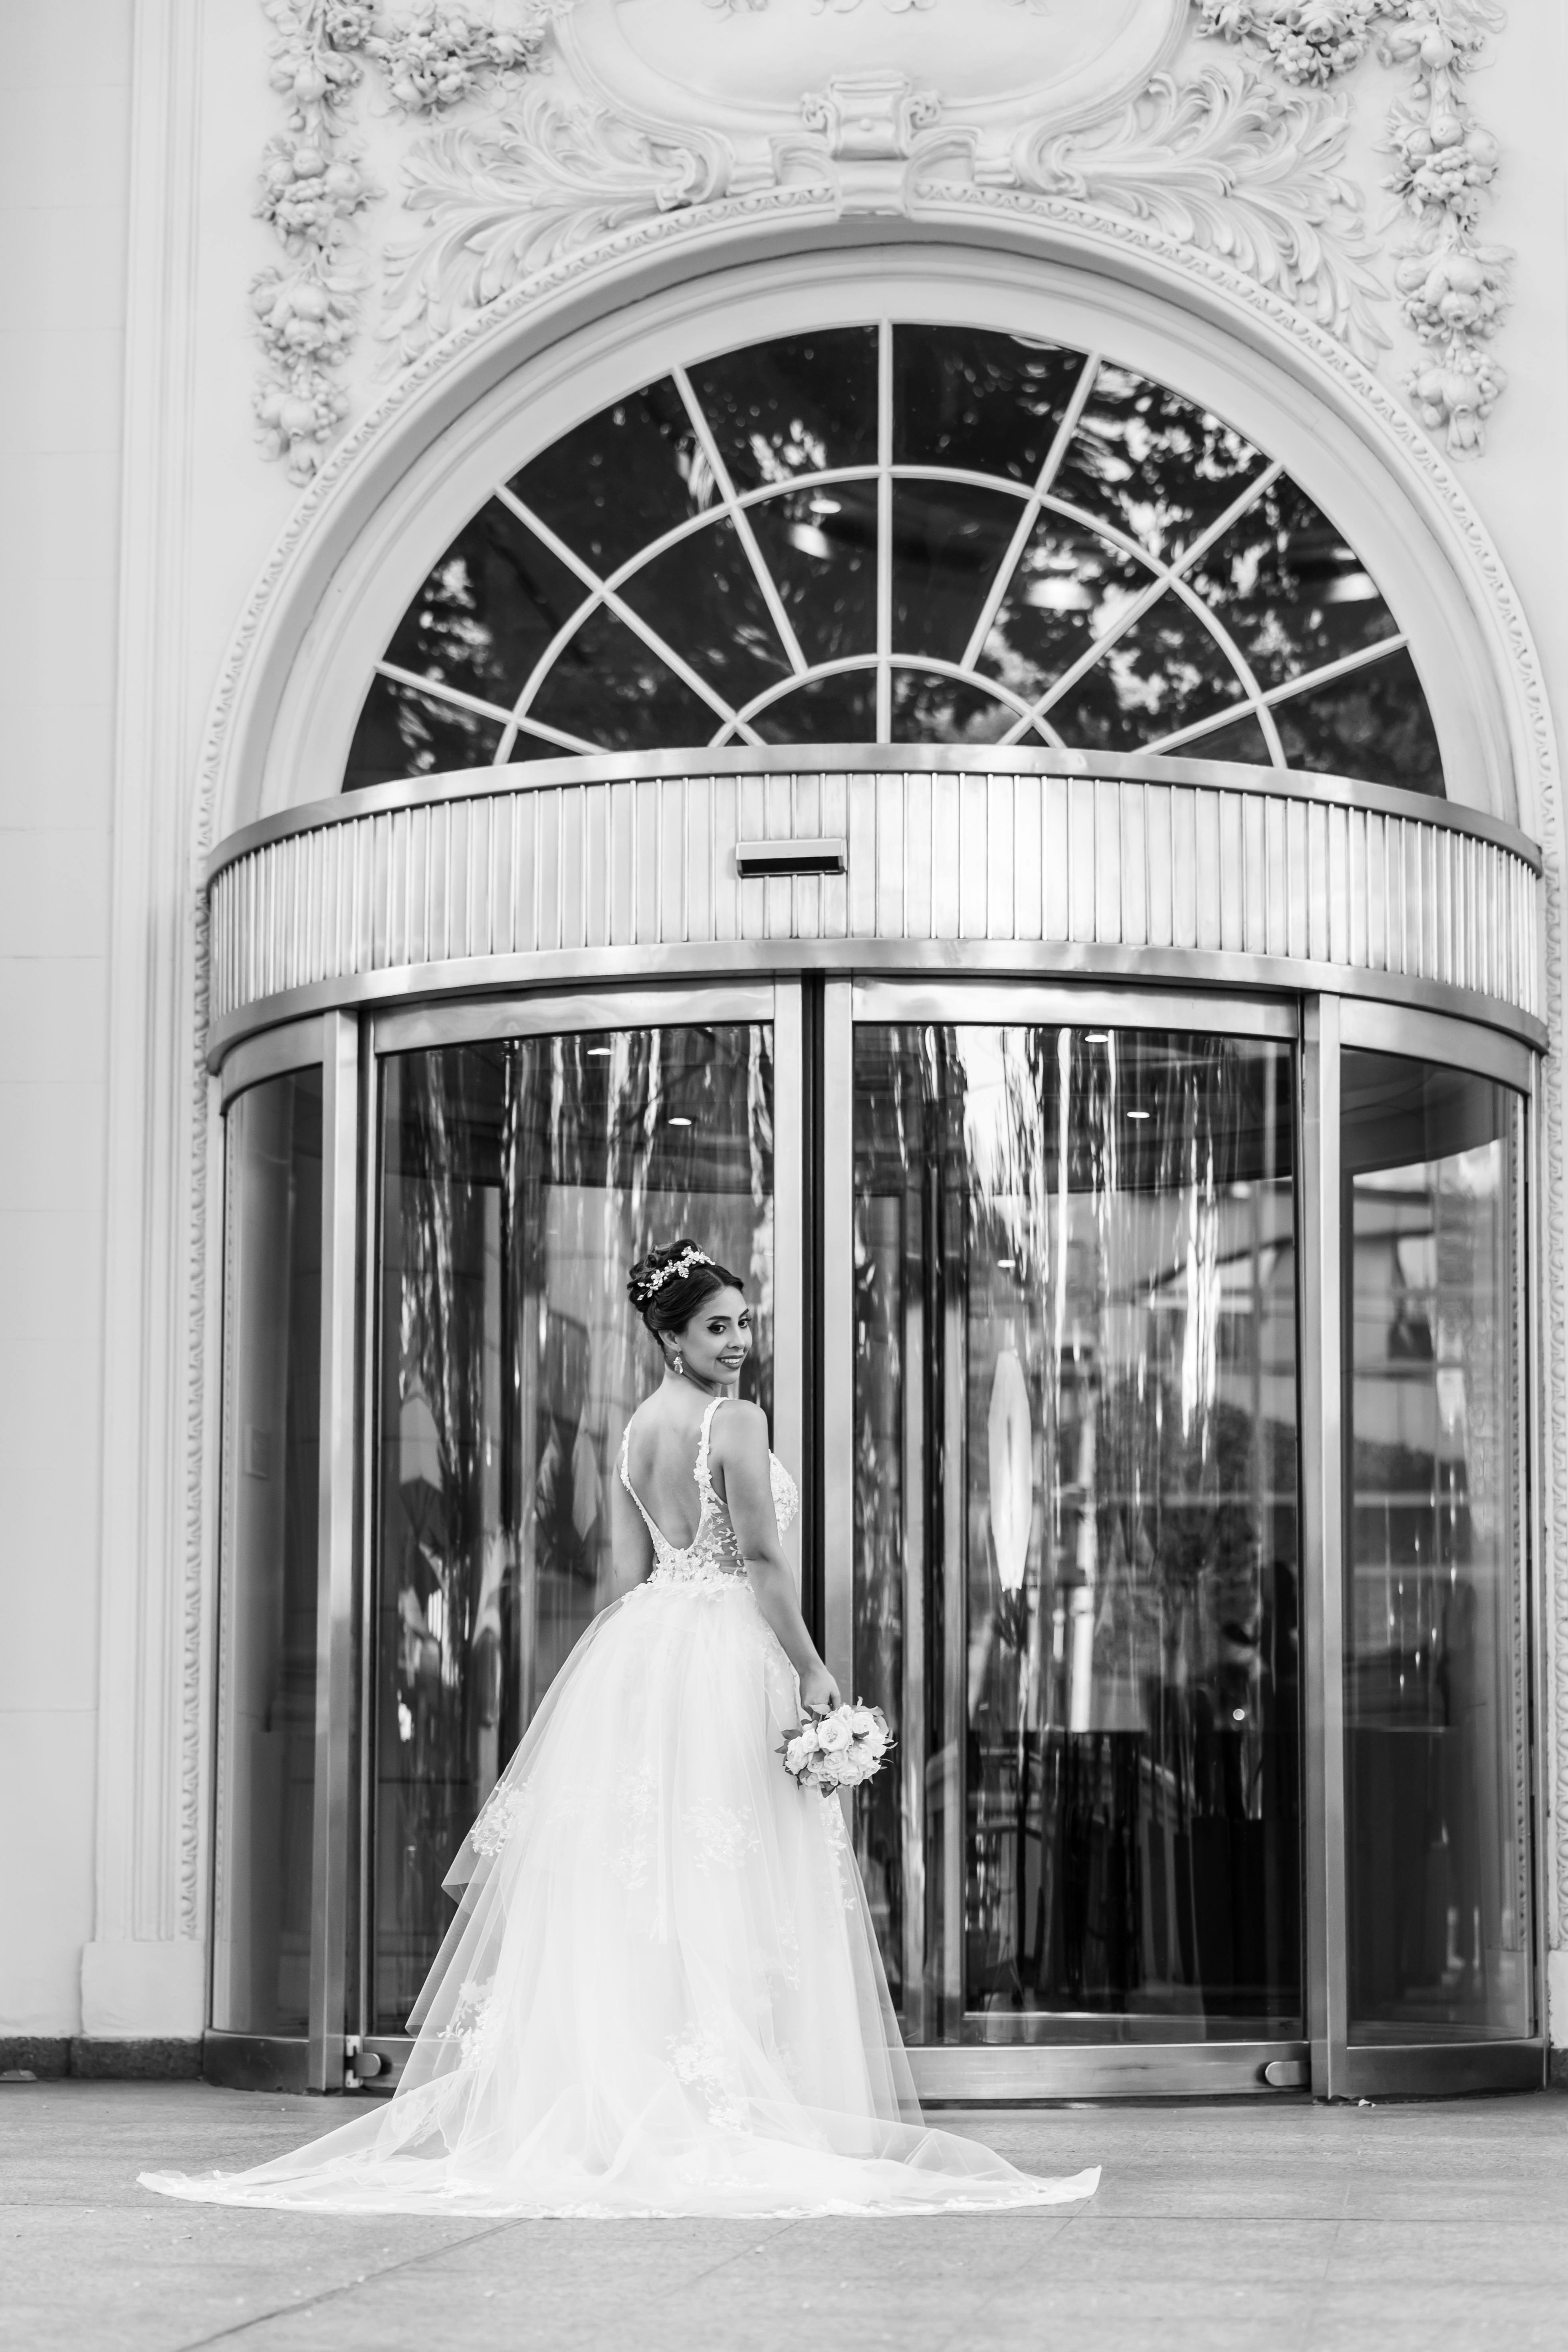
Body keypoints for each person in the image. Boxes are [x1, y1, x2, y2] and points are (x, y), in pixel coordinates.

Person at [141, 1242, 1098, 2217]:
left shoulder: (640, 1427)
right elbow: (764, 1561)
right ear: (670, 1335)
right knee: (725, 1871)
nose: (736, 1342)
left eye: (741, 1323)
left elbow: (627, 1560)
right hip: (726, 1650)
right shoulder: (735, 1422)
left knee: (657, 1877)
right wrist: (812, 1670)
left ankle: (662, 2093)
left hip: (650, 1649)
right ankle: (725, 2101)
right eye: (714, 1327)